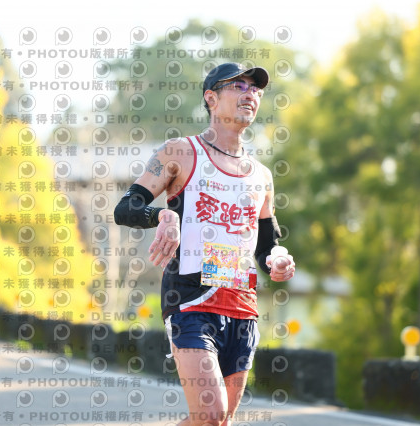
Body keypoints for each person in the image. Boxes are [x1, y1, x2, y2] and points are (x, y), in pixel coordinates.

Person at [114, 62, 295, 425]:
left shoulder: (261, 175)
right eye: (238, 86)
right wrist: (163, 216)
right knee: (211, 414)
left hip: (242, 307)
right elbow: (126, 207)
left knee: (218, 422)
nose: (250, 94)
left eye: (255, 89)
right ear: (211, 98)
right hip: (191, 299)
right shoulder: (180, 152)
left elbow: (266, 246)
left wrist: (278, 258)